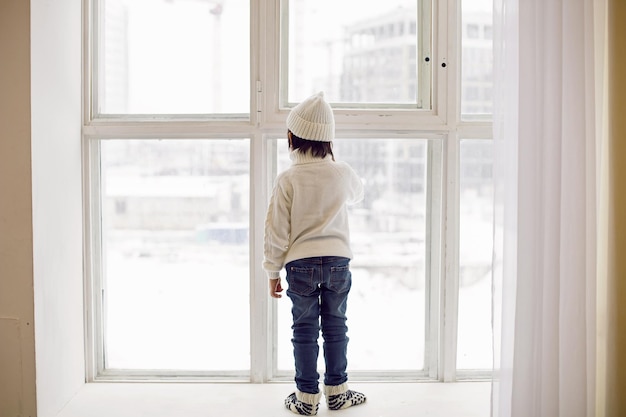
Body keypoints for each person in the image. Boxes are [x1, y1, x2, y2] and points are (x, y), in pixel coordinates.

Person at [263, 92, 367, 416]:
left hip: (300, 265)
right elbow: (358, 194)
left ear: (291, 137)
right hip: (338, 262)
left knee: (304, 329)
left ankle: (306, 399)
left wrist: (272, 271)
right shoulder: (342, 172)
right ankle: (337, 392)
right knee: (336, 326)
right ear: (329, 140)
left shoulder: (288, 179)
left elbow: (276, 230)